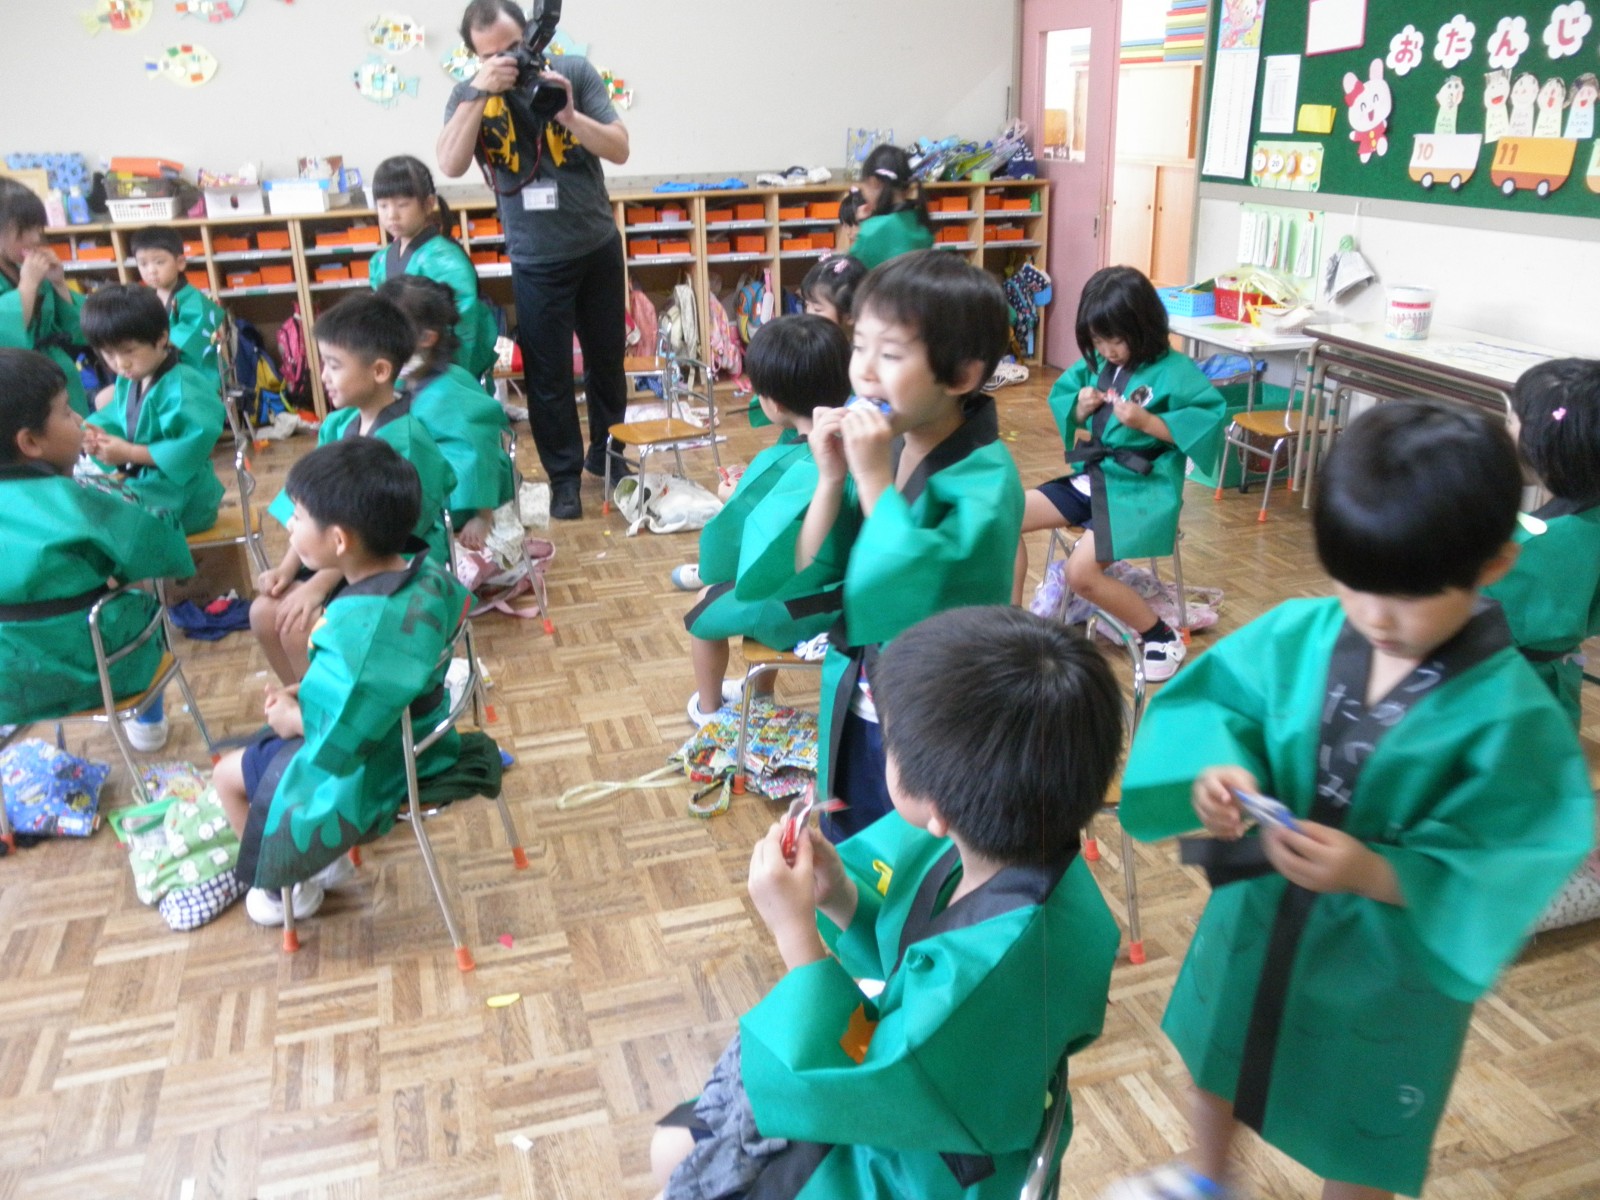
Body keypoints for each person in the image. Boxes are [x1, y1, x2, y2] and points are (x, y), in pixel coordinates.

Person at [1106, 400, 1595, 1200]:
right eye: (1355, 584)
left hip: (1389, 959)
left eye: (1409, 596)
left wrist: (1373, 871)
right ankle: (1206, 1177)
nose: (1374, 617)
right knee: (1218, 1052)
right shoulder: (1303, 631)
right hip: (1262, 911)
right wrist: (1223, 775)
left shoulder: (1509, 716)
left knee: (1361, 1120)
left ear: (1494, 564)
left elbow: (1509, 858)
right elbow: (1223, 704)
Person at [650, 605, 1124, 1200]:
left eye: (889, 744)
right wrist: (842, 898)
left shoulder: (983, 973)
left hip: (909, 1165)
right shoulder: (1025, 849)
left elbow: (856, 1082)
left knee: (672, 1155)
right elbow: (919, 958)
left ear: (939, 810)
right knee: (677, 1140)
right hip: (940, 1099)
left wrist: (795, 932)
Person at [737, 251, 1024, 842]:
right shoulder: (892, 442)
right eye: (859, 345)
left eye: (890, 355)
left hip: (933, 710)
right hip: (862, 690)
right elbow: (810, 566)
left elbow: (918, 589)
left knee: (910, 855)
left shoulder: (987, 481)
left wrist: (871, 480)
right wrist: (832, 478)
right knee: (851, 840)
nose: (863, 372)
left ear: (961, 376)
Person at [213, 438, 473, 926]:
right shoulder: (427, 574)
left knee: (226, 776)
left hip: (381, 766)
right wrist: (306, 695)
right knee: (268, 741)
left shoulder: (357, 628)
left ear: (338, 541)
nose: (289, 526)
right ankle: (320, 860)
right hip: (423, 732)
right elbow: (376, 685)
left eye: (297, 518)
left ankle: (282, 889)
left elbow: (341, 735)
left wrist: (293, 717)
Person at [438, 0, 632, 521]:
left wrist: (569, 115)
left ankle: (610, 456)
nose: (510, 60)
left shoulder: (573, 73)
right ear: (475, 57)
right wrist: (479, 91)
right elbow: (450, 163)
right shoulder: (468, 95)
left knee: (607, 363)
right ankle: (563, 478)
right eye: (492, 55)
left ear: (531, 34)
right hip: (536, 258)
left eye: (514, 46)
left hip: (596, 244)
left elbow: (619, 149)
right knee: (548, 377)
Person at [1016, 266, 1225, 681]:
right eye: (1097, 340)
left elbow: (1207, 421)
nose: (1107, 350)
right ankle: (1008, 623)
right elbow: (1067, 401)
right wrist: (1080, 406)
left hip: (1141, 491)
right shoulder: (1098, 363)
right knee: (1004, 517)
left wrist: (1148, 423)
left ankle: (1161, 635)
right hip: (1096, 475)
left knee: (1080, 573)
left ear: (1143, 326)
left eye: (1115, 340)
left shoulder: (1175, 371)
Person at [253, 295, 456, 684]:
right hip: (340, 554)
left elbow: (385, 539)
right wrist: (287, 568)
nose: (323, 377)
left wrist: (317, 586)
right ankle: (301, 705)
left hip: (392, 567)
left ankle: (327, 715)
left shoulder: (407, 443)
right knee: (263, 613)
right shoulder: (337, 425)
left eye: (334, 365)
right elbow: (310, 508)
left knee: (300, 627)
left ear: (379, 371)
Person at [0, 349, 194, 751]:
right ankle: (149, 722)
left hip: (9, 689)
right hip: (98, 673)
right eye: (67, 411)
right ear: (30, 442)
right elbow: (164, 548)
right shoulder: (81, 500)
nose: (79, 420)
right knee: (138, 584)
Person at [682, 314, 852, 725]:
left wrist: (732, 498)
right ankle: (759, 696)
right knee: (756, 587)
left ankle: (709, 710)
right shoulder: (860, 442)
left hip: (801, 606)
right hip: (843, 590)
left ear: (772, 403)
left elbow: (746, 546)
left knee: (704, 606)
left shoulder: (792, 461)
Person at [1483, 357, 1600, 726]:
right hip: (1556, 687)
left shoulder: (1522, 548)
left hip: (1502, 696)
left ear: (1539, 442)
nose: (1505, 430)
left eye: (1510, 421)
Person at [379, 275, 513, 551]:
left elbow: (480, 451)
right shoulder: (404, 380)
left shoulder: (449, 390)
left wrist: (482, 516)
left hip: (461, 495)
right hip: (425, 478)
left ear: (426, 338)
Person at [79, 283, 225, 536]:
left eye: (129, 351)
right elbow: (119, 419)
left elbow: (191, 447)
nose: (121, 364)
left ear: (162, 338)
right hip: (150, 483)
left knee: (107, 522)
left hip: (184, 496)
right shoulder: (129, 380)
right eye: (109, 354)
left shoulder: (184, 385)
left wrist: (129, 452)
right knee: (85, 501)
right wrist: (98, 438)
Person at [366, 155, 498, 381]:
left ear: (428, 204)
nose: (391, 215)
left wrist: (451, 375)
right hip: (400, 364)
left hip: (440, 371)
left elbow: (464, 324)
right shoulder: (380, 260)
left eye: (402, 204)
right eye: (383, 205)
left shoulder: (445, 260)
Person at [0, 179, 88, 416]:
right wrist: (28, 286)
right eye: (24, 230)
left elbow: (77, 328)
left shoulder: (27, 267)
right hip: (16, 385)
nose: (34, 238)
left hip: (59, 375)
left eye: (37, 228)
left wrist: (58, 282)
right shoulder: (29, 274)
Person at [127, 226, 225, 394]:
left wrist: (148, 344)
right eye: (143, 264)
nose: (151, 270)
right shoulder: (147, 298)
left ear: (180, 263)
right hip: (165, 370)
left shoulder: (194, 299)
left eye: (159, 262)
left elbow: (192, 332)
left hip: (195, 376)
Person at [843, 145, 935, 271]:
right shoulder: (920, 223)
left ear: (874, 182)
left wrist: (860, 229)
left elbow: (852, 271)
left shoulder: (871, 231)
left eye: (864, 187)